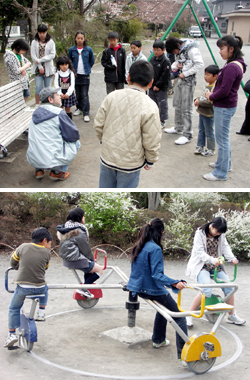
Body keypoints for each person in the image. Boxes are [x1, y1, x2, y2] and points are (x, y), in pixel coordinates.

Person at [127, 218, 188, 366]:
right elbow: (157, 275)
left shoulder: (139, 246)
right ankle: (185, 355)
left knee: (163, 310)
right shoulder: (155, 249)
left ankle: (158, 340)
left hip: (138, 289)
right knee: (180, 317)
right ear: (161, 232)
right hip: (151, 290)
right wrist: (175, 282)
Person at [93, 60, 162, 188]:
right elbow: (152, 138)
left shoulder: (112, 96)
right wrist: (151, 159)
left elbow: (98, 124)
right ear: (151, 83)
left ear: (128, 77)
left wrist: (104, 141)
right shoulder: (150, 106)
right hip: (130, 164)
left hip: (108, 158)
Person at [185, 217, 246, 327]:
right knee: (206, 290)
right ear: (212, 226)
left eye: (220, 233)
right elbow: (199, 252)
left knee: (229, 287)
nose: (218, 234)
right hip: (201, 265)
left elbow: (225, 247)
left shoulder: (220, 235)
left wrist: (232, 258)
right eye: (217, 232)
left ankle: (231, 315)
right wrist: (213, 260)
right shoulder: (200, 233)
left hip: (216, 266)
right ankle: (190, 315)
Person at [204, 35, 247, 181]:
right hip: (227, 105)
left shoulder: (232, 67)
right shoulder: (236, 63)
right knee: (224, 139)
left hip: (224, 106)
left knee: (222, 140)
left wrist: (211, 96)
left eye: (222, 48)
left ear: (231, 49)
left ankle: (220, 173)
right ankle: (224, 164)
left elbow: (224, 91)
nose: (220, 52)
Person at [4, 227, 52, 348]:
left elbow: (13, 262)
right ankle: (41, 312)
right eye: (50, 243)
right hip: (39, 287)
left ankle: (11, 334)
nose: (50, 246)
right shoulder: (47, 253)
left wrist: (19, 268)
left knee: (14, 308)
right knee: (45, 288)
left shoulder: (23, 247)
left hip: (23, 287)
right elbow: (45, 267)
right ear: (44, 240)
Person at [26, 86, 80, 181]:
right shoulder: (59, 113)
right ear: (50, 99)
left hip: (33, 158)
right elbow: (73, 135)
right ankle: (57, 172)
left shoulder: (35, 113)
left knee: (40, 138)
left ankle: (39, 170)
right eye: (57, 95)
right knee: (76, 143)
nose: (59, 96)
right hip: (51, 157)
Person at [164, 37, 204, 145]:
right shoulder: (180, 50)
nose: (174, 53)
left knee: (186, 108)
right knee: (177, 103)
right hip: (179, 79)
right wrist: (176, 65)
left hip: (189, 81)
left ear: (177, 45)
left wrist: (185, 73)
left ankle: (187, 134)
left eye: (173, 51)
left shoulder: (192, 50)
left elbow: (200, 64)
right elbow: (176, 62)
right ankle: (178, 127)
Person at [56, 208, 103, 298]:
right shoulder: (78, 231)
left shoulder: (66, 229)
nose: (84, 217)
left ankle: (85, 289)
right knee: (99, 269)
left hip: (66, 260)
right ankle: (83, 289)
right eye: (83, 215)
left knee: (90, 267)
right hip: (75, 260)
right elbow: (85, 249)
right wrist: (93, 260)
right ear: (79, 217)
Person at [68, 31, 95, 122]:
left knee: (84, 94)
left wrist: (87, 69)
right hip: (75, 75)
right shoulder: (72, 50)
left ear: (84, 39)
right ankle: (78, 108)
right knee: (78, 93)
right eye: (78, 38)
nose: (80, 40)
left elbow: (92, 61)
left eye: (81, 38)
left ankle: (86, 112)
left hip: (85, 75)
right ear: (75, 39)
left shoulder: (88, 49)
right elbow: (69, 61)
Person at [194, 65, 220, 156]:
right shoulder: (207, 86)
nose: (205, 77)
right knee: (201, 130)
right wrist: (197, 99)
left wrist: (199, 102)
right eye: (205, 75)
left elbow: (210, 102)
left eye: (208, 75)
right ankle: (200, 146)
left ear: (215, 76)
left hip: (208, 114)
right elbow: (203, 96)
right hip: (202, 112)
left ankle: (211, 149)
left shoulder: (214, 88)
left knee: (209, 131)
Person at [31, 24, 56, 107]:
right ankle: (37, 104)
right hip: (37, 69)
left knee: (48, 88)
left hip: (48, 69)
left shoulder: (51, 42)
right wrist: (40, 66)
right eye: (40, 32)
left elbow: (52, 55)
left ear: (46, 32)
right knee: (38, 87)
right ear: (37, 32)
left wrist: (41, 60)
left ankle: (48, 105)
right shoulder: (34, 42)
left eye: (43, 32)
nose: (41, 34)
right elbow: (33, 56)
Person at [149, 40, 171, 128]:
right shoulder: (152, 59)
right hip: (151, 86)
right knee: (152, 103)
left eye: (158, 50)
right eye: (154, 50)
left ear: (163, 50)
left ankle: (162, 121)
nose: (156, 52)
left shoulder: (165, 61)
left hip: (161, 88)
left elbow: (165, 75)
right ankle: (153, 119)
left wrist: (158, 85)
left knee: (162, 104)